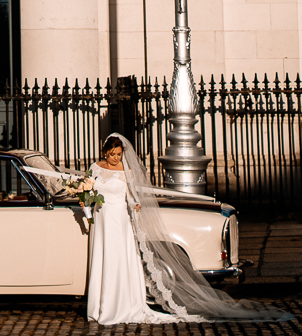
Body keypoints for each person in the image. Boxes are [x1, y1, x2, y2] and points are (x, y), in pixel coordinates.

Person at [81, 133, 288, 325]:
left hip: (119, 220)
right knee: (103, 260)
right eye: (112, 154)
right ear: (104, 152)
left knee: (118, 261)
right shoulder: (95, 168)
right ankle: (100, 306)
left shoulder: (126, 171)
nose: (115, 158)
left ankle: (118, 306)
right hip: (101, 220)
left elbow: (132, 196)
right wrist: (85, 201)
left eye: (118, 154)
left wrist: (136, 205)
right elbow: (89, 191)